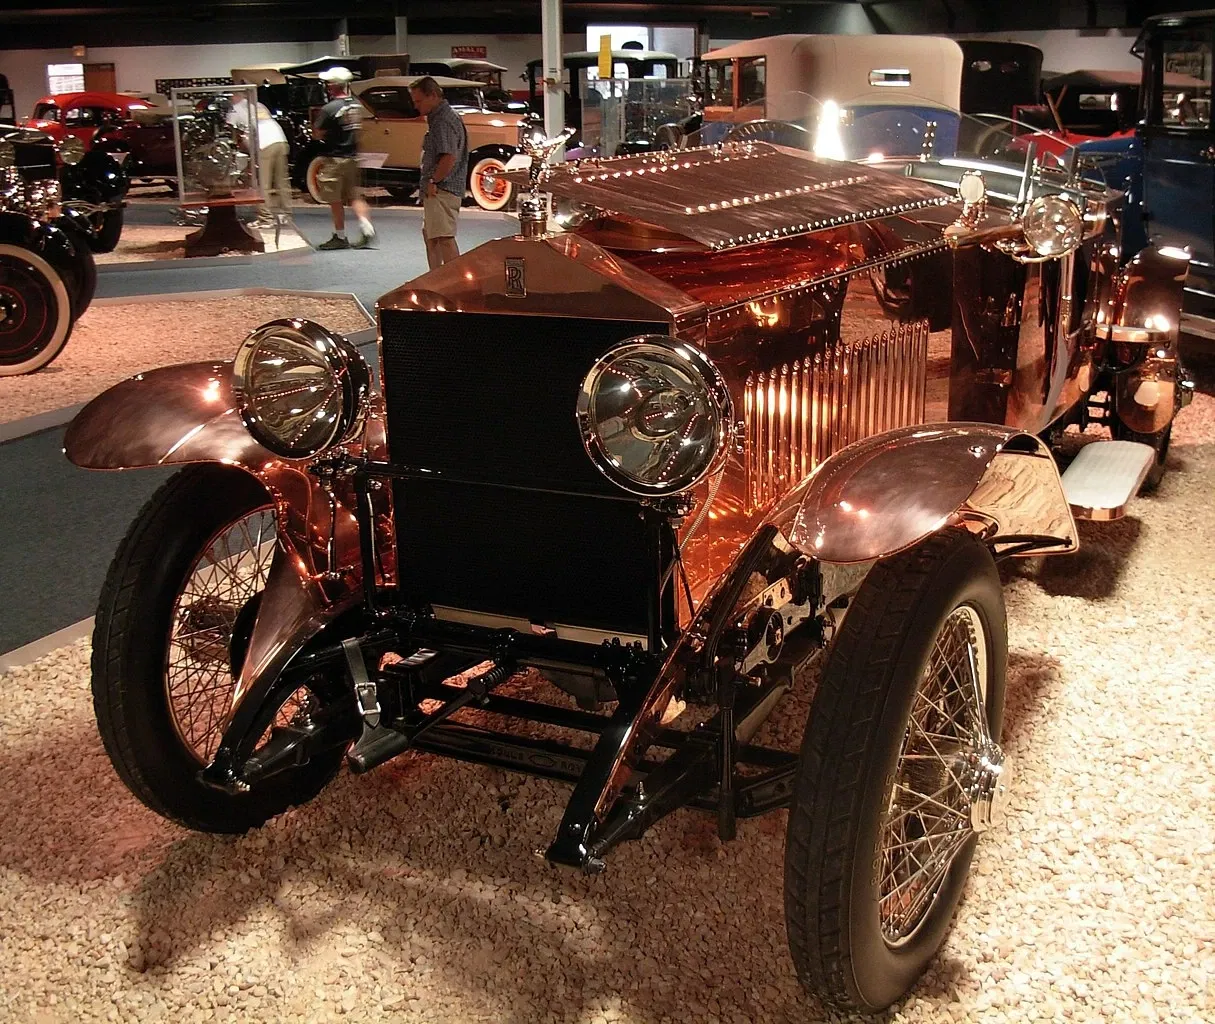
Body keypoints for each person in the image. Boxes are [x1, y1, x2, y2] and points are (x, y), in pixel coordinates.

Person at [409, 76, 468, 269]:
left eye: (419, 101)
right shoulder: (443, 117)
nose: (416, 106)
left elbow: (449, 156)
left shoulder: (443, 120)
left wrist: (434, 180)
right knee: (432, 236)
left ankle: (453, 283)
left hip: (443, 188)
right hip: (441, 188)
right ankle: (436, 278)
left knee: (443, 238)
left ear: (432, 95)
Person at [313, 66, 375, 250]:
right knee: (354, 195)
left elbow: (317, 133)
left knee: (335, 198)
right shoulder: (356, 105)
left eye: (328, 83)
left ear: (333, 85)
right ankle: (367, 227)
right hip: (353, 157)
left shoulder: (329, 108)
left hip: (335, 159)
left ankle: (340, 236)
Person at [229, 95, 291, 225]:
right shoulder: (258, 104)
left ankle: (266, 218)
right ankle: (285, 215)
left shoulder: (233, 110)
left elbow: (234, 135)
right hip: (280, 139)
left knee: (262, 184)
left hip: (264, 144)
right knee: (282, 181)